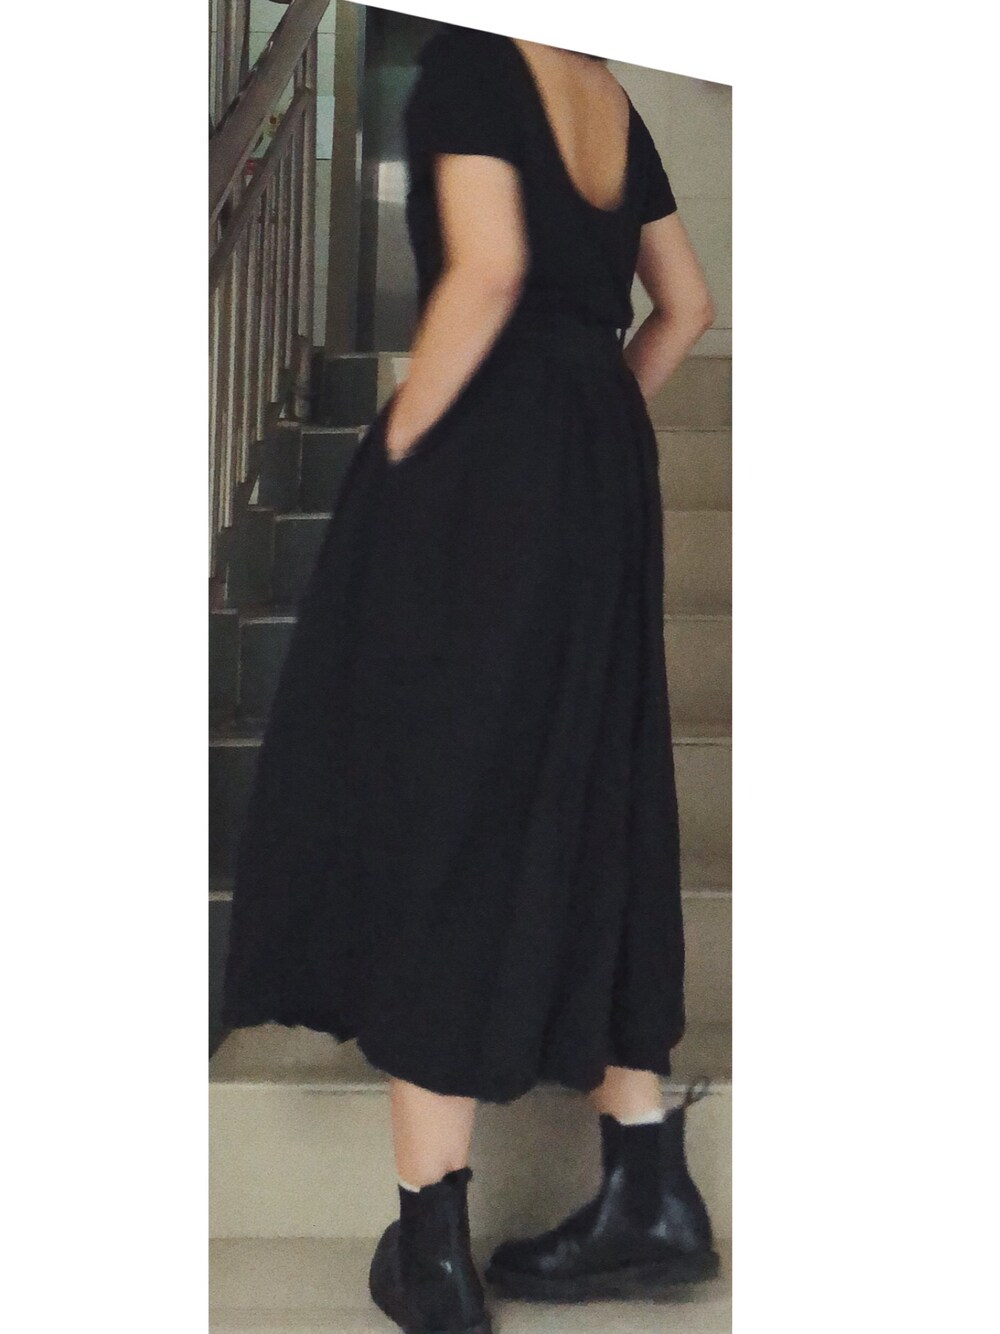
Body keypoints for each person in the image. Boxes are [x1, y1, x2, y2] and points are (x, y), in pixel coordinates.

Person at [220, 21, 719, 1333]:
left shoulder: (473, 67)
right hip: (598, 461)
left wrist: (400, 446)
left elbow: (486, 274)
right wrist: (591, 411)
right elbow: (686, 305)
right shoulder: (609, 93)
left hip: (486, 460)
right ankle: (648, 1189)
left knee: (439, 800)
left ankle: (431, 1246)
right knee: (595, 787)